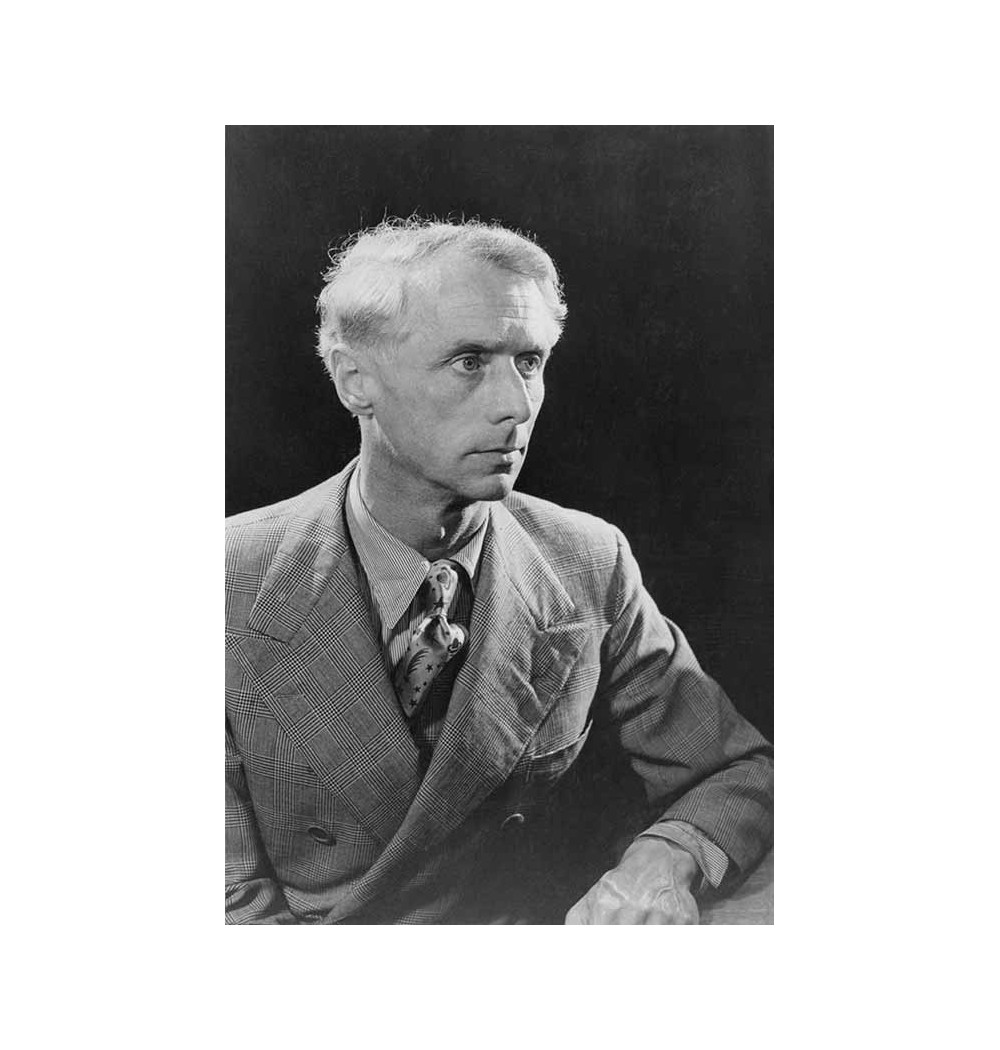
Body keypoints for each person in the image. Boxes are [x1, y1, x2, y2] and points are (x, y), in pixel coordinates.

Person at [225, 218, 773, 924]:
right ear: (355, 380)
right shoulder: (226, 583)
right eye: (469, 362)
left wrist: (663, 859)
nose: (516, 406)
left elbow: (739, 770)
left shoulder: (587, 561)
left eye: (530, 362)